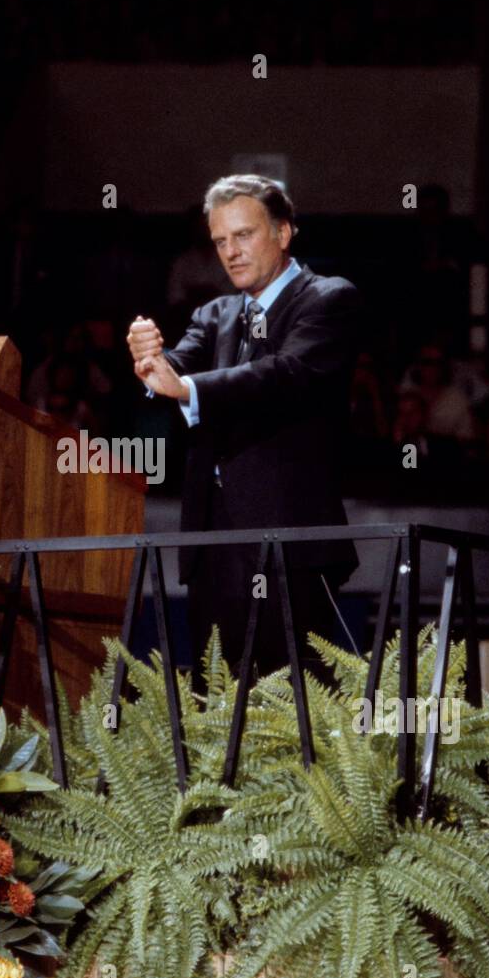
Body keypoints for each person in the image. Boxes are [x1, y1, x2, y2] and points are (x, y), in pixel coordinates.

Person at [127, 174, 362, 681]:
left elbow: (285, 374)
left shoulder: (327, 299)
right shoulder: (215, 313)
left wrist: (185, 387)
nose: (230, 252)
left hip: (290, 546)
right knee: (218, 701)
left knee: (295, 706)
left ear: (282, 232)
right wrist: (149, 361)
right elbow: (174, 369)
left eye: (244, 235)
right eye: (219, 241)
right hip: (214, 548)